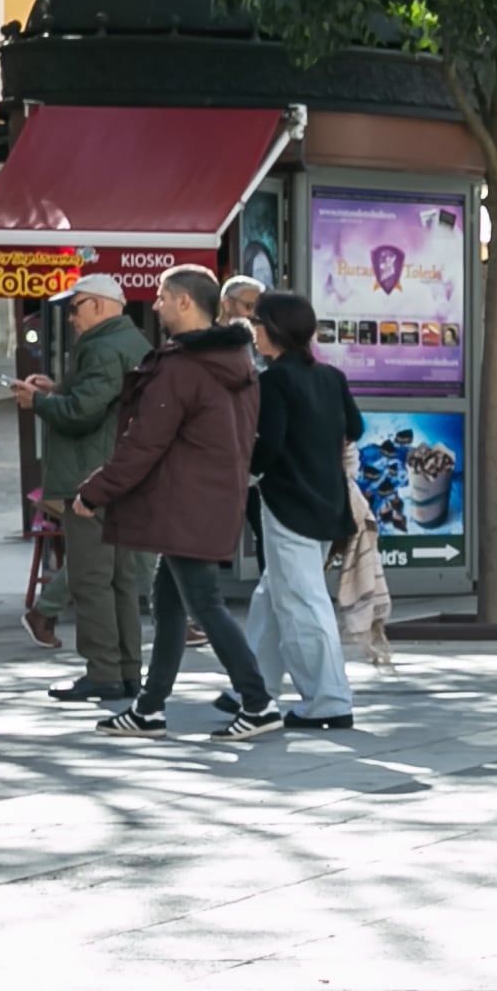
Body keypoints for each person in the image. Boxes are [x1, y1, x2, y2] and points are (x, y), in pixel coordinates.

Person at [75, 267, 274, 741]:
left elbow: (143, 443)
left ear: (185, 303)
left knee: (203, 604)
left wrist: (94, 491)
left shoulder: (182, 367)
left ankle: (258, 702)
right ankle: (149, 708)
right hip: (209, 499)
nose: (157, 306)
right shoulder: (237, 361)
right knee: (167, 603)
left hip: (185, 503)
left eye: (163, 297)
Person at [16, 276, 156, 710]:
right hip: (119, 477)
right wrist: (56, 390)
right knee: (120, 579)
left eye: (76, 308)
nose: (72, 317)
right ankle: (128, 671)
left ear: (98, 306)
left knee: (92, 578)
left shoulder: (100, 346)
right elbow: (102, 400)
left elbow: (81, 413)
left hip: (90, 479)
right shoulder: (132, 342)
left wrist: (36, 403)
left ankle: (103, 674)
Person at [242, 291, 360, 731]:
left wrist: (243, 472)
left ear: (274, 329)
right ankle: (251, 685)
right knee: (274, 595)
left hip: (287, 504)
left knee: (301, 602)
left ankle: (328, 699)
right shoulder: (330, 376)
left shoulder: (274, 381)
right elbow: (356, 427)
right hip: (327, 501)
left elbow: (267, 448)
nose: (252, 331)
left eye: (257, 322)